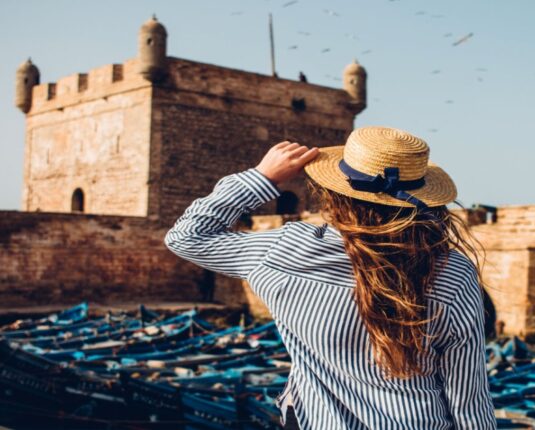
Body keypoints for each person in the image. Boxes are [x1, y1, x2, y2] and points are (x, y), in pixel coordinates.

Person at [164, 126, 496, 429]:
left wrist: (262, 177)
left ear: (334, 192)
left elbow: (188, 237)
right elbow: (468, 397)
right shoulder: (452, 272)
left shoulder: (286, 251)